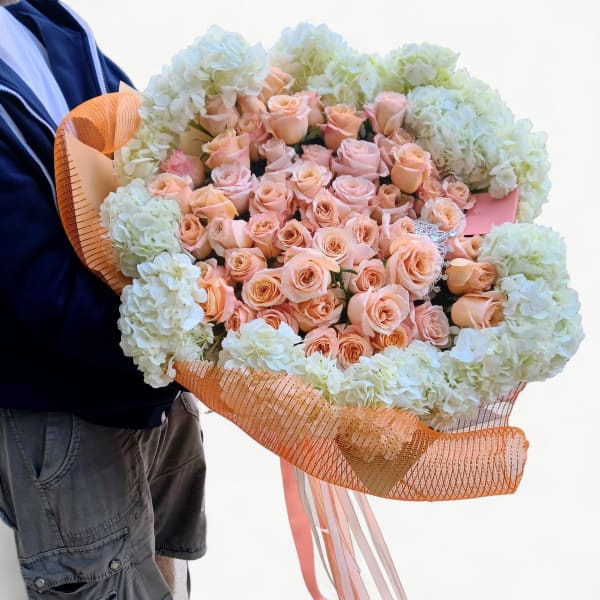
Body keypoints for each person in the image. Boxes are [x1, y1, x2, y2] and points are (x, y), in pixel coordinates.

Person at [0, 1, 207, 598]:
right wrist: (193, 343)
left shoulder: (45, 19)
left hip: (152, 387)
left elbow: (149, 145)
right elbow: (36, 289)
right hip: (67, 406)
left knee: (168, 573)